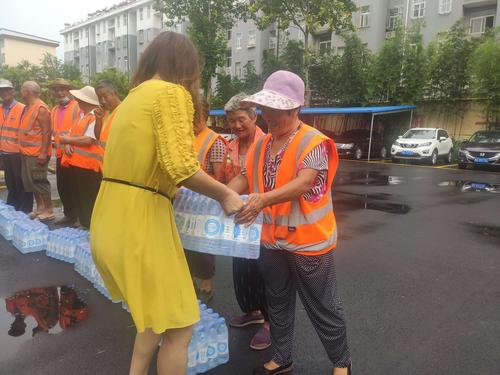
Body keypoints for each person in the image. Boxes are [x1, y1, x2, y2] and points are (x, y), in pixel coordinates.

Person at [90, 31, 244, 375]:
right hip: (141, 221)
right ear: (187, 67)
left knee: (152, 320)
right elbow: (181, 167)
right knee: (179, 326)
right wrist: (226, 194)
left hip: (109, 218)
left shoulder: (131, 98)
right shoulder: (171, 93)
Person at [229, 71, 352, 375]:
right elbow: (245, 177)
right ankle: (282, 358)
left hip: (308, 242)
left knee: (322, 305)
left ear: (294, 108)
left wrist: (261, 200)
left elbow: (304, 182)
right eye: (265, 109)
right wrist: (219, 196)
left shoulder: (314, 142)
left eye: (274, 110)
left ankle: (342, 362)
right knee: (278, 301)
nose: (267, 116)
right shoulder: (261, 144)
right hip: (271, 240)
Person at [223, 93, 270, 350]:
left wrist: (223, 195)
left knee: (265, 270)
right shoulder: (231, 145)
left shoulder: (267, 143)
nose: (237, 126)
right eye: (232, 121)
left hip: (263, 216)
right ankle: (253, 311)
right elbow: (228, 178)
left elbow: (248, 177)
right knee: (241, 267)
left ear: (254, 117)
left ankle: (270, 322)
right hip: (239, 215)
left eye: (241, 119)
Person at [184, 100, 228, 303]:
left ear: (206, 116)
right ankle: (190, 281)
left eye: (196, 116)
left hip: (204, 201)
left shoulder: (214, 140)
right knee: (185, 243)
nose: (192, 121)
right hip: (184, 200)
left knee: (203, 245)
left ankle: (206, 283)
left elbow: (219, 176)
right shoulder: (183, 138)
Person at [59, 86, 101, 229]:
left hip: (88, 166)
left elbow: (89, 140)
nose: (77, 101)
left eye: (80, 99)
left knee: (88, 197)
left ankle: (89, 224)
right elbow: (71, 135)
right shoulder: (81, 115)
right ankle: (83, 221)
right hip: (76, 163)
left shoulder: (95, 116)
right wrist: (67, 143)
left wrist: (67, 141)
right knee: (79, 195)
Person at [18, 81, 53, 221]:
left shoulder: (41, 108)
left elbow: (46, 132)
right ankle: (40, 208)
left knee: (39, 181)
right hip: (27, 152)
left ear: (27, 91)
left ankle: (49, 210)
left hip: (37, 153)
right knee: (31, 182)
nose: (21, 92)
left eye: (22, 89)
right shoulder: (28, 107)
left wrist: (43, 152)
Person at [49, 78, 81, 226]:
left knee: (76, 187)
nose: (60, 92)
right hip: (60, 155)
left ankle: (79, 217)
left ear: (69, 90)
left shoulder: (77, 107)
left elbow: (81, 128)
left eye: (63, 89)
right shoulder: (54, 110)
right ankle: (69, 215)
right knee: (63, 187)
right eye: (57, 90)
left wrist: (71, 142)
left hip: (74, 154)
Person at [0, 79, 33, 213]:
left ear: (13, 91)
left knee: (22, 182)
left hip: (19, 153)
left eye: (7, 90)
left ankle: (25, 208)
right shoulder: (0, 109)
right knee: (11, 182)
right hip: (4, 152)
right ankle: (13, 207)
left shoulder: (22, 108)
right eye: (2, 91)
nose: (4, 93)